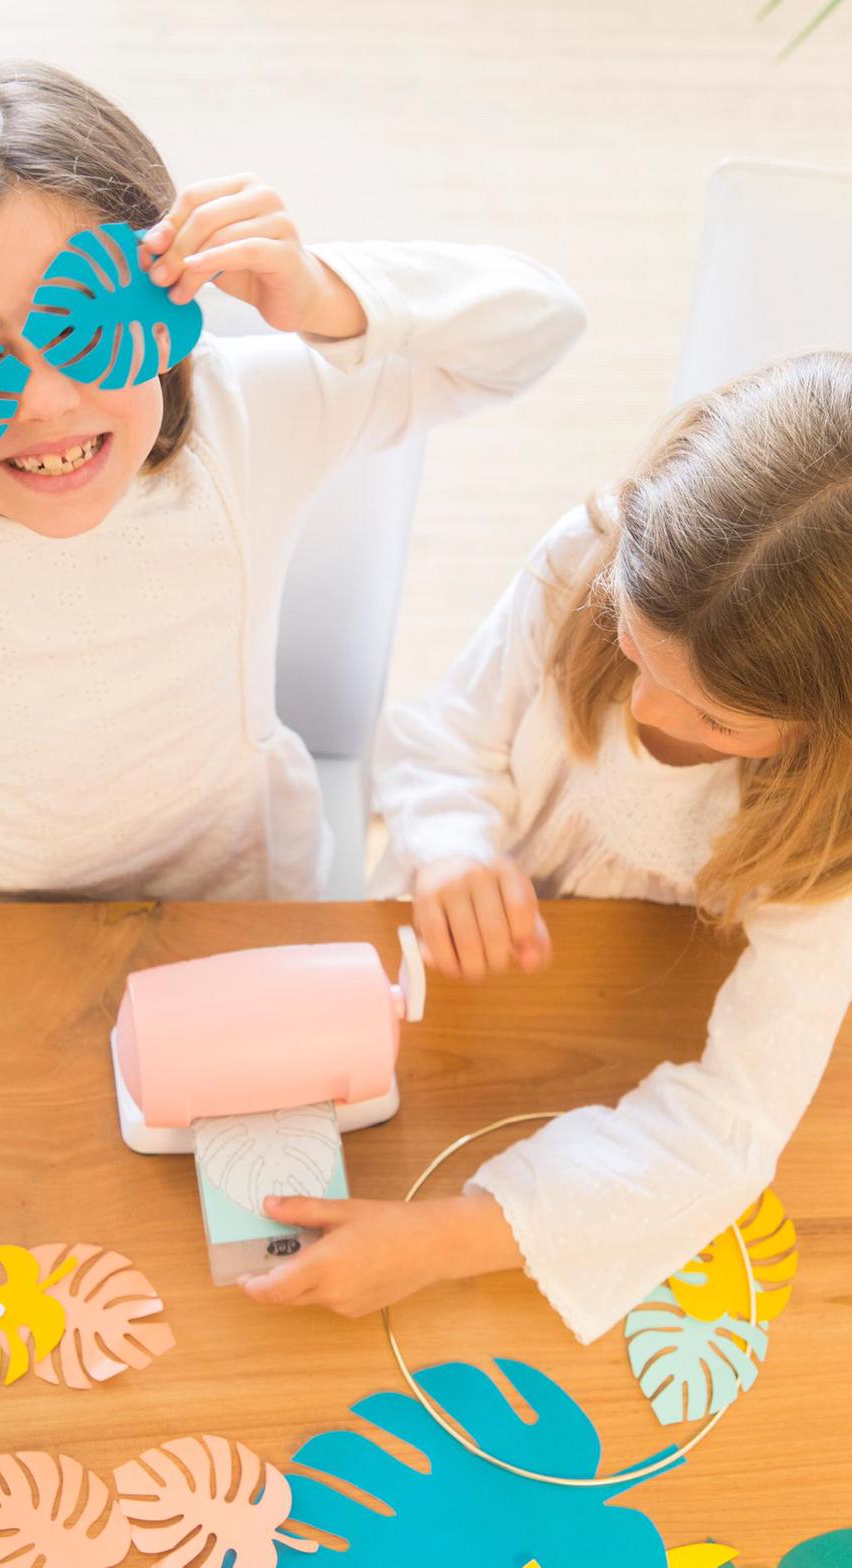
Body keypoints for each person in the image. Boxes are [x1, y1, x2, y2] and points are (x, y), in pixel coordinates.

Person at [0, 59, 584, 905]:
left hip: (247, 911)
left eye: (79, 324)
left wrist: (325, 293)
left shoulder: (240, 420)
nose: (45, 400)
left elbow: (537, 325)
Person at [244, 353, 852, 1343]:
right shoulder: (584, 561)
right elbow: (448, 738)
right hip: (444, 976)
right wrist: (451, 846)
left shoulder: (832, 840)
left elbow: (733, 1124)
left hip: (623, 1018)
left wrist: (446, 1239)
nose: (648, 711)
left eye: (712, 717)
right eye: (633, 644)